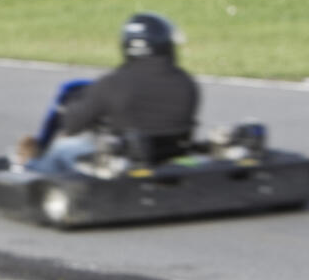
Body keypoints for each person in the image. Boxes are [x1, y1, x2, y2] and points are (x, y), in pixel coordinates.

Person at [26, 12, 199, 171]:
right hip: (172, 160)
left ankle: (31, 175)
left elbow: (72, 124)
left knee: (62, 148)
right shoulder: (186, 83)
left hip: (123, 167)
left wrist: (71, 108)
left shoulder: (114, 83)